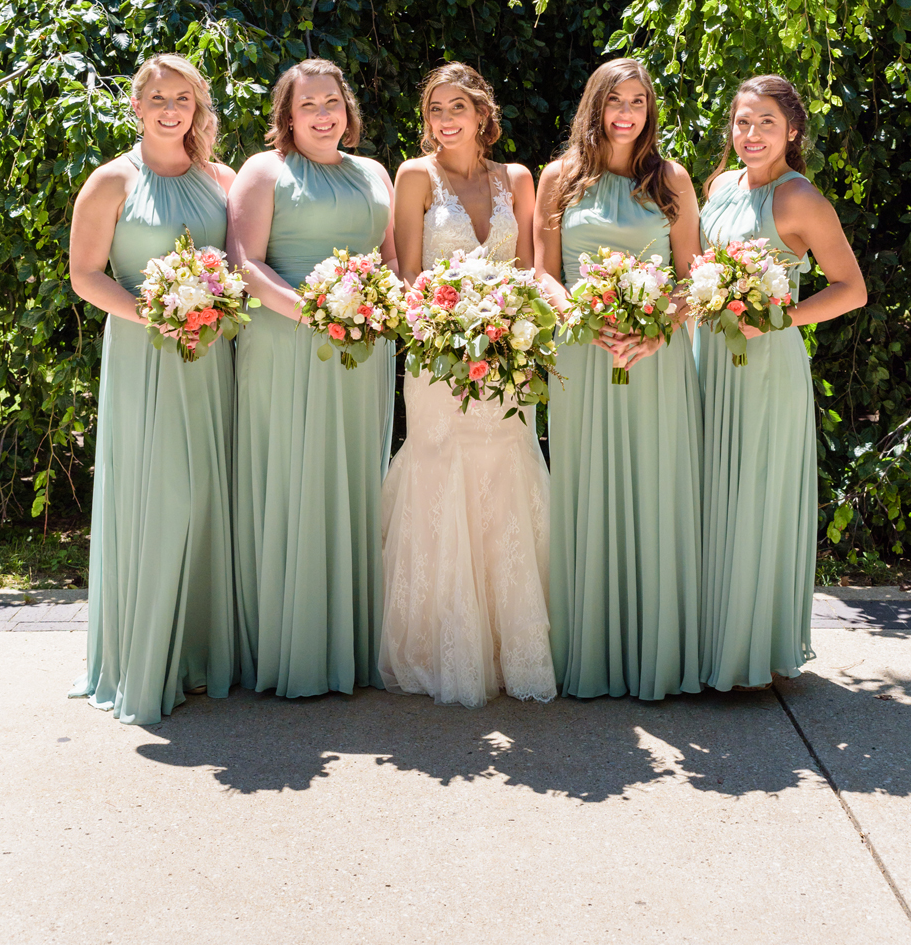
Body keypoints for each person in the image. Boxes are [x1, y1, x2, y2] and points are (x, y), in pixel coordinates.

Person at [67, 53, 238, 725]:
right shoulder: (112, 181)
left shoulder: (221, 179)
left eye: (185, 99)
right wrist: (158, 313)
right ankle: (146, 659)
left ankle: (200, 653)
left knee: (206, 495)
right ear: (136, 106)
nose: (172, 111)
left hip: (208, 357)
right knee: (158, 492)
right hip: (144, 352)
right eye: (159, 99)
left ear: (197, 108)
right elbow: (85, 274)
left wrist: (212, 311)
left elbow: (240, 264)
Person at [378, 63, 554, 707]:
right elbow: (407, 274)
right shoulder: (415, 177)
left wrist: (512, 322)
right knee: (439, 469)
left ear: (483, 114)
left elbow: (534, 270)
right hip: (437, 358)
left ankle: (512, 644)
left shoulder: (518, 179)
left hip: (507, 354)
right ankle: (437, 646)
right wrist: (445, 322)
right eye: (433, 110)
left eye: (456, 107)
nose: (444, 120)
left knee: (506, 471)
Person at [226, 59, 396, 699]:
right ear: (288, 119)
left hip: (363, 349)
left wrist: (379, 307)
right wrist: (316, 314)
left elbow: (390, 259)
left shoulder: (374, 172)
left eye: (332, 102)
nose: (324, 115)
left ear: (347, 109)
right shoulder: (264, 172)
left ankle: (351, 646)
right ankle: (289, 647)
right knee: (293, 476)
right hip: (286, 343)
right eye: (309, 106)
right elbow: (246, 265)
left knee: (352, 477)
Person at [535, 58, 704, 700]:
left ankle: (654, 653)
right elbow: (544, 271)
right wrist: (581, 311)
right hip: (582, 348)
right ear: (594, 108)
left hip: (656, 357)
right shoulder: (560, 179)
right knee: (587, 485)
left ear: (649, 109)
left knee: (655, 487)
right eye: (615, 100)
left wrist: (656, 330)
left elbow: (692, 278)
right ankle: (592, 650)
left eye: (638, 100)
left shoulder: (671, 179)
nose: (626, 112)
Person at [697, 77, 865, 690]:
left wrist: (780, 319)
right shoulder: (718, 186)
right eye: (742, 122)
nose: (751, 134)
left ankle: (751, 650)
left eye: (765, 122)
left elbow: (852, 288)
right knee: (711, 492)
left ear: (791, 130)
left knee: (754, 496)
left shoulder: (801, 200)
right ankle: (711, 637)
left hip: (766, 366)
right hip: (708, 358)